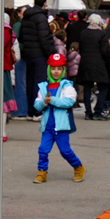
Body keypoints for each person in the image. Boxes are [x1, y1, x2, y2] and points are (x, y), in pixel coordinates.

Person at [33, 53, 85, 183]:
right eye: (53, 68)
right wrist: (43, 102)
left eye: (59, 69)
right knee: (43, 150)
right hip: (47, 126)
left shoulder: (67, 86)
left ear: (63, 70)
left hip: (61, 126)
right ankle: (42, 172)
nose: (56, 72)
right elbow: (36, 105)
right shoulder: (43, 86)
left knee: (65, 151)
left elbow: (69, 102)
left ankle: (78, 167)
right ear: (49, 69)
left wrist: (52, 100)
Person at [18, 0, 56, 117]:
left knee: (30, 82)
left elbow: (22, 36)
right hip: (40, 54)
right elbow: (44, 38)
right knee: (39, 83)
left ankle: (29, 110)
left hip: (28, 54)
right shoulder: (41, 17)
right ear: (44, 3)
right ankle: (37, 111)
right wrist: (51, 53)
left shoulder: (26, 17)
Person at [77, 13, 110, 119]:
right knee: (103, 87)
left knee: (87, 87)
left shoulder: (83, 33)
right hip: (99, 64)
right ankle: (98, 111)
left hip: (86, 62)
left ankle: (88, 112)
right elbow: (105, 51)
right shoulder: (102, 34)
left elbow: (81, 47)